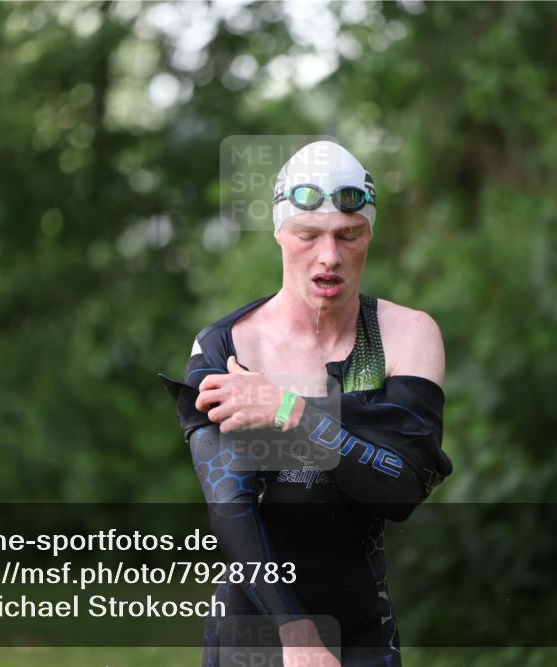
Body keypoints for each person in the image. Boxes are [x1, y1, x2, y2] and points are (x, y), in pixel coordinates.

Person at [161, 141, 452, 667]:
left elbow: (402, 487)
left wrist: (288, 410)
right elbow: (232, 508)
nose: (329, 256)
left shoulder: (404, 337)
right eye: (307, 235)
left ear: (369, 235)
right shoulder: (227, 347)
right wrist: (295, 635)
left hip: (362, 632)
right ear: (279, 233)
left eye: (348, 235)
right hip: (253, 635)